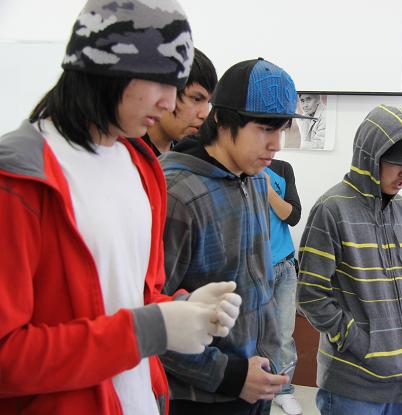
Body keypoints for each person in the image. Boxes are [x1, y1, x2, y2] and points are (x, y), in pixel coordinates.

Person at [0, 1, 241, 414]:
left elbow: (129, 297)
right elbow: (8, 358)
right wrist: (152, 329)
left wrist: (180, 309)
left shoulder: (140, 165)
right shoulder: (19, 178)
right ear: (107, 69)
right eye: (162, 82)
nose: (170, 103)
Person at [159, 58, 309, 415]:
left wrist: (269, 361)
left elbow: (259, 285)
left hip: (257, 384)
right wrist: (230, 376)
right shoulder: (177, 194)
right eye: (263, 129)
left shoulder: (257, 180)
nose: (275, 145)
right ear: (222, 120)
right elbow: (151, 318)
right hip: (201, 396)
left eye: (282, 129)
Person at [297, 104, 402, 415]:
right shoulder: (332, 209)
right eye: (398, 163)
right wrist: (359, 342)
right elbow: (310, 294)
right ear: (369, 156)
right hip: (354, 386)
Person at [264, 159, 304, 415]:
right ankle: (256, 389)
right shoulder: (235, 167)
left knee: (284, 334)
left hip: (285, 265)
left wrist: (267, 189)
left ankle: (283, 390)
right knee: (250, 333)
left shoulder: (281, 169)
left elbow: (293, 215)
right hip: (254, 267)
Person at [142, 48, 217, 156]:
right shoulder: (122, 153)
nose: (204, 114)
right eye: (196, 99)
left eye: (209, 102)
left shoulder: (195, 158)